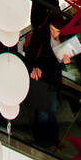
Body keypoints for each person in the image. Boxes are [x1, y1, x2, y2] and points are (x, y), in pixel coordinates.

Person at [24, 10, 67, 145]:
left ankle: (52, 140)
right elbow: (30, 57)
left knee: (51, 110)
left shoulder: (63, 39)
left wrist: (65, 61)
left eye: (58, 31)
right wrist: (34, 68)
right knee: (43, 112)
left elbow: (57, 63)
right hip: (42, 80)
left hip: (53, 80)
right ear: (48, 25)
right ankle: (42, 141)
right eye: (53, 30)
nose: (55, 34)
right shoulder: (40, 35)